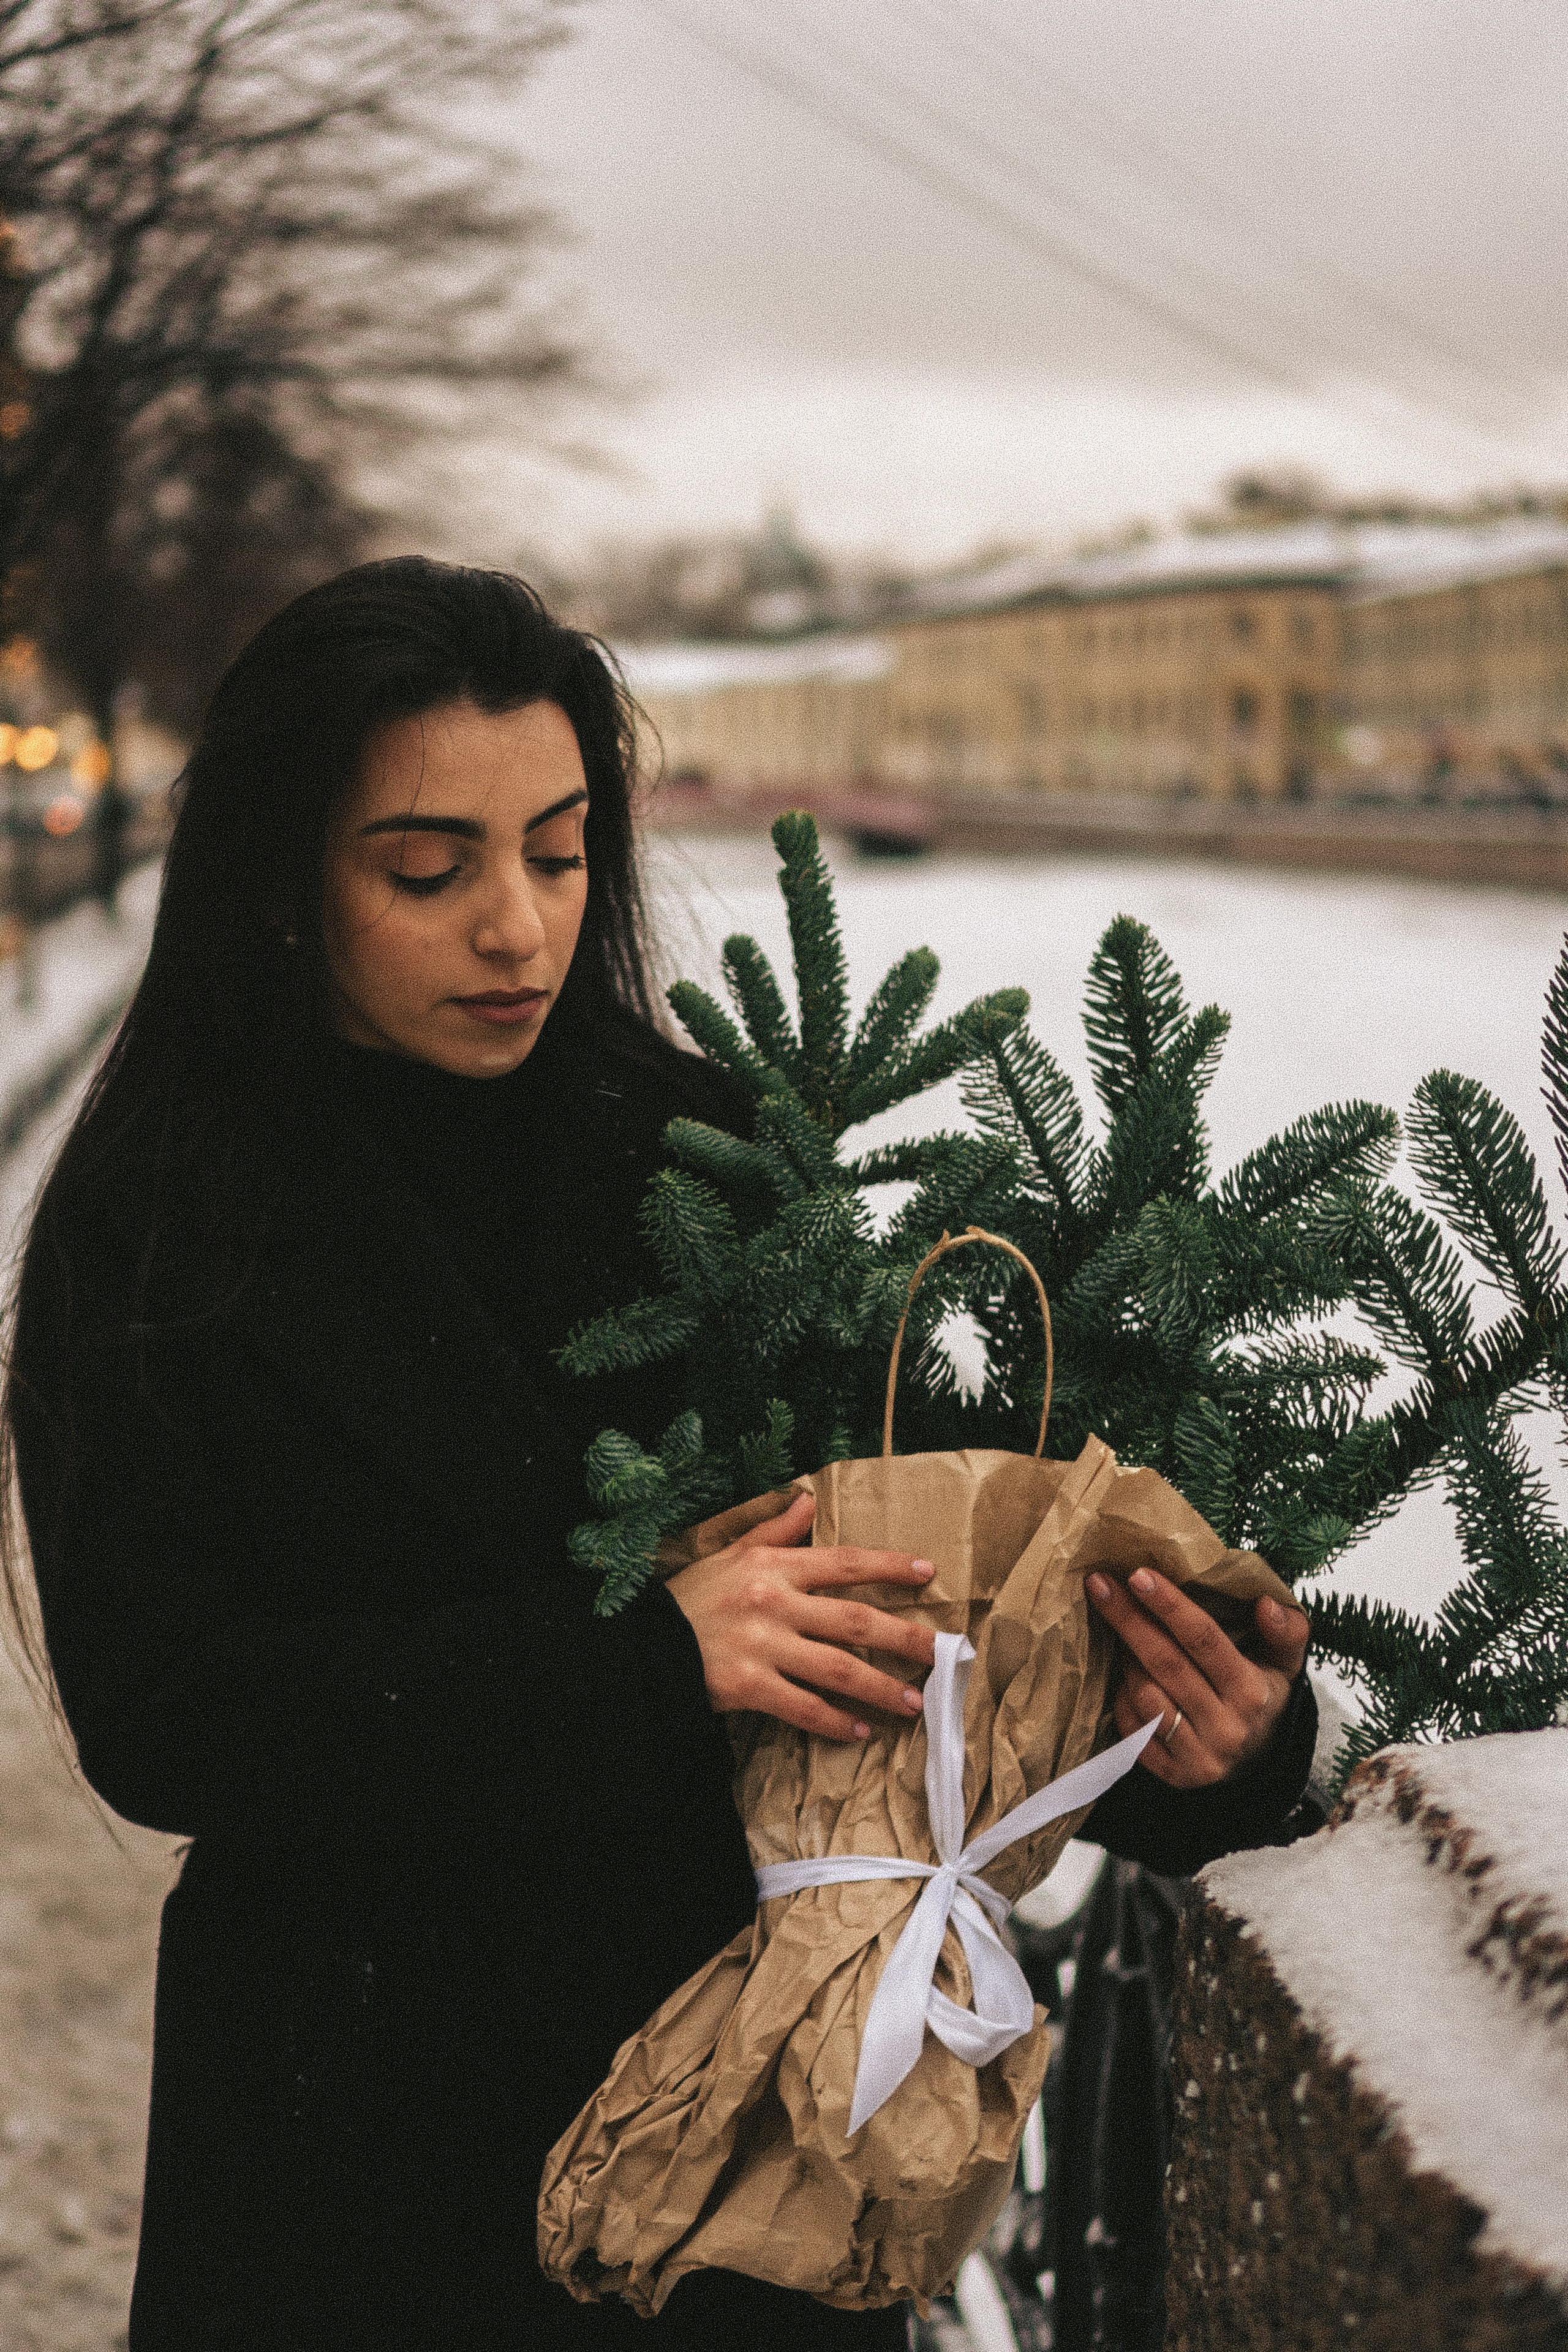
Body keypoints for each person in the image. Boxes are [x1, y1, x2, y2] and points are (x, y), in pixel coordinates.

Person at [1, 559, 1315, 2350]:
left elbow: (954, 1554)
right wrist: (644, 1665)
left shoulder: (701, 1151)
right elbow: (165, 1713)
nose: (518, 930)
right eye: (428, 869)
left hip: (749, 2153)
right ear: (283, 882)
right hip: (359, 2164)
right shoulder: (156, 1227)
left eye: (558, 853)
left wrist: (1213, 1748)